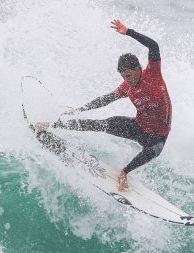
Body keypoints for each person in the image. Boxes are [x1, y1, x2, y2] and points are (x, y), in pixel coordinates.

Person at [34, 19, 172, 191]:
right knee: (100, 124)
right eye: (123, 77)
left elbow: (154, 46)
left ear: (138, 69)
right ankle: (52, 124)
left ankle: (124, 172)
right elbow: (105, 99)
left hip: (158, 137)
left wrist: (129, 31)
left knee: (154, 151)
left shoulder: (152, 74)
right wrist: (80, 109)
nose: (127, 80)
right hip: (139, 128)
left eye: (129, 75)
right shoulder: (127, 87)